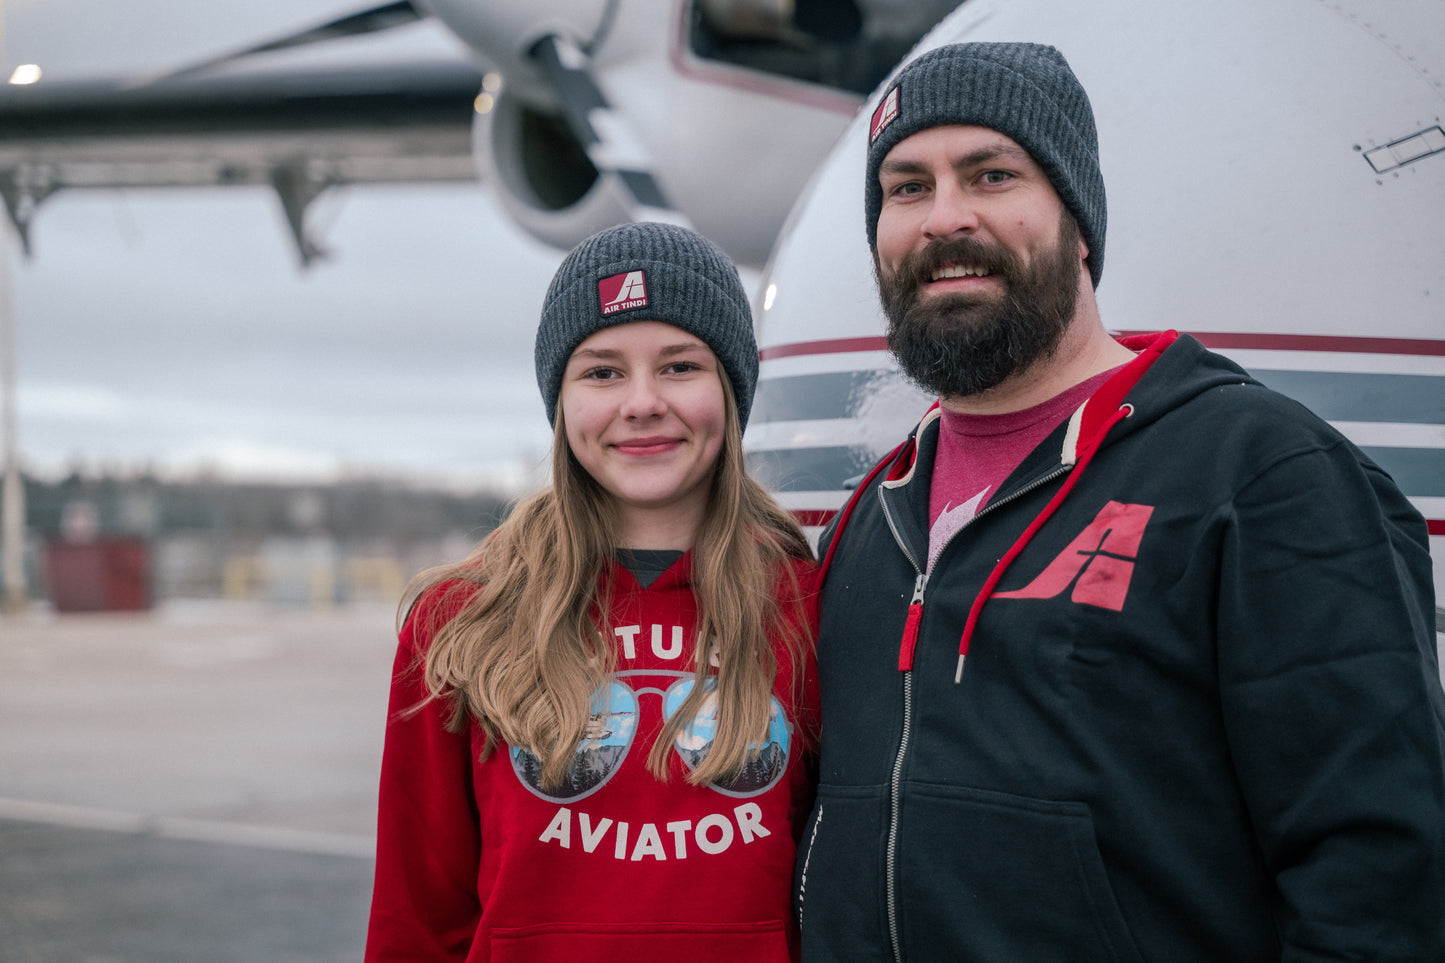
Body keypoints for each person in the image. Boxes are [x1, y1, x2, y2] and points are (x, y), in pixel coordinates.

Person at [794, 42, 1445, 961]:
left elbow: (1380, 870)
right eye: (906, 188)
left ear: (1078, 221)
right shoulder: (873, 514)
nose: (944, 217)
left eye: (991, 175)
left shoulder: (1260, 473)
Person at [365, 222, 818, 962]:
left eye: (679, 366)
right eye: (602, 372)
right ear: (561, 401)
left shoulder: (809, 607)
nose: (641, 403)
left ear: (731, 391)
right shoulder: (461, 620)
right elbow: (414, 917)